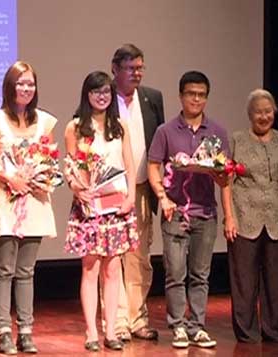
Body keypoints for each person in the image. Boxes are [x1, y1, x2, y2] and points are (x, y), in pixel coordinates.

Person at [147, 71, 228, 349]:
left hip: (205, 211)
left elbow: (223, 173)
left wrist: (221, 174)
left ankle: (197, 326)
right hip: (176, 210)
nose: (196, 99)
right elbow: (153, 165)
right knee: (175, 272)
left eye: (201, 94)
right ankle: (178, 326)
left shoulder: (217, 132)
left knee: (200, 274)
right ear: (181, 96)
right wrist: (163, 198)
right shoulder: (166, 131)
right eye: (191, 94)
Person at [0, 61, 58, 354]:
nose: (26, 89)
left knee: (26, 270)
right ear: (9, 86)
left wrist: (41, 179)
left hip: (34, 199)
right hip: (6, 199)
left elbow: (49, 159)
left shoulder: (45, 122)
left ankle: (25, 331)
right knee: (3, 269)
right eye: (20, 83)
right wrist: (10, 178)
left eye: (30, 84)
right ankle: (3, 331)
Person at [64, 71, 138, 351]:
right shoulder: (74, 127)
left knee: (113, 269)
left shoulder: (119, 126)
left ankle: (111, 331)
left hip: (117, 205)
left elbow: (129, 164)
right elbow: (70, 167)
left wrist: (131, 195)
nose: (102, 96)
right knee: (90, 268)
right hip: (89, 206)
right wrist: (77, 189)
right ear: (87, 94)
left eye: (106, 91)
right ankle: (92, 332)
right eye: (96, 91)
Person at [222, 89, 278, 343]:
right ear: (249, 114)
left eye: (268, 111)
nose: (264, 116)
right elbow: (227, 181)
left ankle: (275, 329)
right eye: (258, 111)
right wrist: (229, 217)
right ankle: (247, 332)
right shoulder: (237, 140)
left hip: (277, 217)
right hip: (245, 216)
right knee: (243, 277)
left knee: (277, 277)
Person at [109, 43, 165, 341]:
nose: (137, 74)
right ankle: (116, 322)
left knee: (139, 256)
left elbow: (158, 145)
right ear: (115, 69)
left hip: (142, 187)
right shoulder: (101, 97)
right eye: (131, 68)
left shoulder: (152, 98)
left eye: (140, 68)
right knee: (113, 257)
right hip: (112, 189)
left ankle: (137, 318)